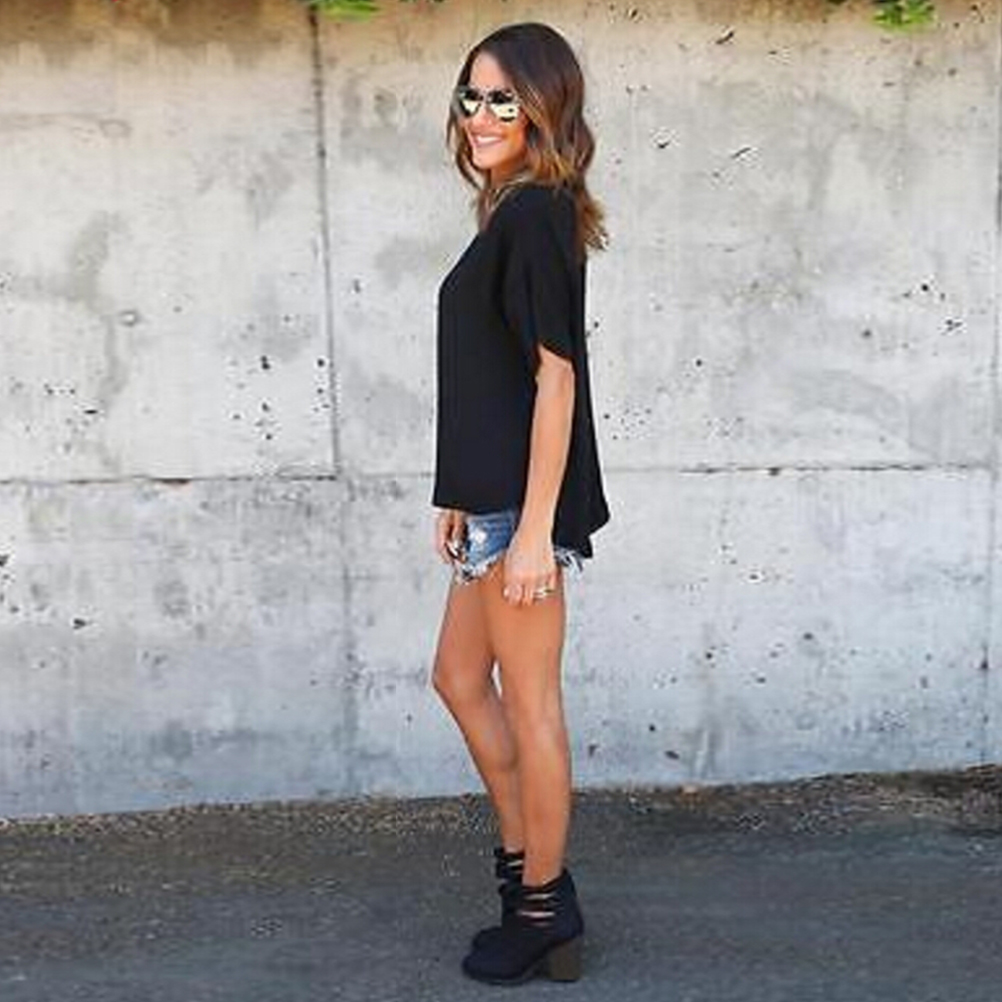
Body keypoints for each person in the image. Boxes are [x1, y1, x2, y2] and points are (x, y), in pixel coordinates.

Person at [430, 21, 610, 986]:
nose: (482, 114)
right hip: (492, 501)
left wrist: (535, 530)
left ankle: (543, 906)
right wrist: (457, 494)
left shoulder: (538, 213)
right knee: (459, 680)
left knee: (531, 703)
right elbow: (487, 378)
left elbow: (555, 378)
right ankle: (523, 871)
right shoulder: (509, 212)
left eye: (504, 97)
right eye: (472, 95)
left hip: (521, 512)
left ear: (545, 106)